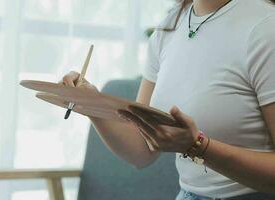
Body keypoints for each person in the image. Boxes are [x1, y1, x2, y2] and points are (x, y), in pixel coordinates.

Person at [59, 0, 275, 199]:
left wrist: (198, 146)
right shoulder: (170, 27)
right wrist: (92, 104)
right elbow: (142, 150)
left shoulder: (265, 27)